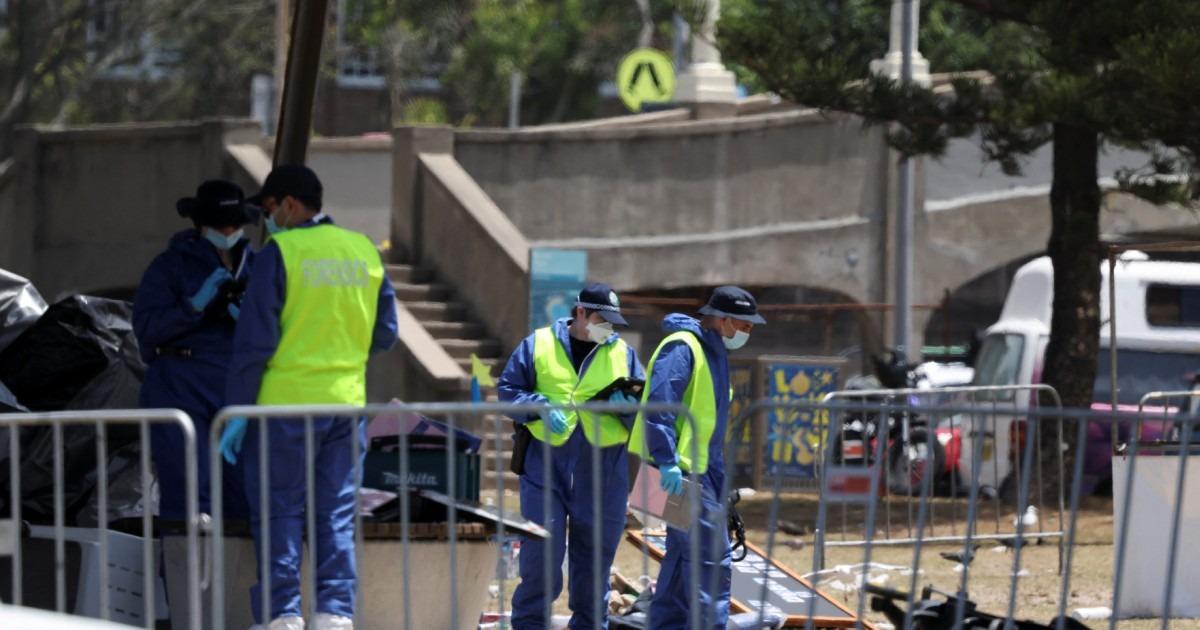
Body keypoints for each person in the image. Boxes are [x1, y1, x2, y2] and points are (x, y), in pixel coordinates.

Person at [219, 164, 397, 630]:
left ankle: (283, 614)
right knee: (336, 511)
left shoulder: (281, 252)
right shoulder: (364, 251)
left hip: (285, 405)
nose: (266, 220)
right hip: (345, 404)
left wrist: (237, 408)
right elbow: (386, 333)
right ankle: (335, 613)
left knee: (280, 509)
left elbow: (253, 343)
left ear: (290, 205)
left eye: (269, 209)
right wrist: (341, 349)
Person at [498, 283, 645, 629]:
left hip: (603, 471)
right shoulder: (537, 344)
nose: (607, 328)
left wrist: (628, 409)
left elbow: (644, 407)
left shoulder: (622, 353)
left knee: (594, 571)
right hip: (544, 467)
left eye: (612, 322)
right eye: (601, 320)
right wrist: (538, 407)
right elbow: (508, 392)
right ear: (579, 313)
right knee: (540, 564)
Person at [628, 286, 765, 630]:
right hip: (677, 473)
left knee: (679, 562)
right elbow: (661, 404)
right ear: (722, 319)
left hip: (694, 472)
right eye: (744, 325)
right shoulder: (684, 348)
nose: (748, 332)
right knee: (710, 563)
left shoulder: (712, 352)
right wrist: (667, 461)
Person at [133, 179, 257, 523]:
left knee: (246, 498)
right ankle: (184, 576)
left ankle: (239, 578)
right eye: (220, 225)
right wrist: (193, 308)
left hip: (236, 389)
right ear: (200, 225)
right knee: (189, 498)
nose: (228, 231)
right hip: (180, 385)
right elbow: (146, 331)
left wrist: (251, 319)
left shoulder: (258, 266)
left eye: (235, 224)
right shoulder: (170, 266)